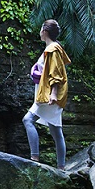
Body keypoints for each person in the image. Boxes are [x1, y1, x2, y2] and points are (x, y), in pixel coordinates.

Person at [23, 19, 70, 167]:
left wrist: (54, 93)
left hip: (49, 96)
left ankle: (35, 158)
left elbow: (55, 73)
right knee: (56, 130)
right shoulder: (52, 48)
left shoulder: (52, 49)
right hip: (48, 94)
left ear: (44, 31)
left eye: (41, 29)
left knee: (27, 120)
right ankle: (61, 167)